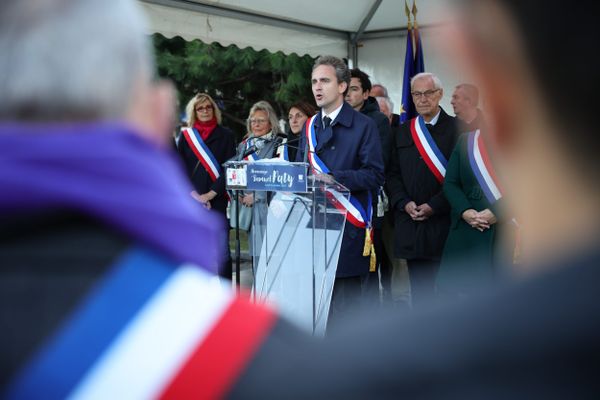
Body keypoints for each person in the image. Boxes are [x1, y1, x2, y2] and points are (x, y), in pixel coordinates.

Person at [295, 56, 384, 324]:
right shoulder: (310, 127)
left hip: (348, 228)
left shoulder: (363, 125)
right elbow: (302, 170)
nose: (317, 87)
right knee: (317, 312)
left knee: (346, 317)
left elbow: (375, 174)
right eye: (314, 82)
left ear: (343, 86)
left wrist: (334, 178)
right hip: (314, 230)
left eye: (325, 80)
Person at [387, 72, 459, 306]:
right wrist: (403, 202)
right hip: (412, 223)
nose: (422, 99)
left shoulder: (459, 130)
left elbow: (463, 178)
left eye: (428, 93)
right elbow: (392, 173)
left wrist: (434, 206)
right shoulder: (402, 131)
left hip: (445, 224)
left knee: (448, 295)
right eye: (417, 94)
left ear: (440, 94)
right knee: (421, 297)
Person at [346, 68, 393, 305]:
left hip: (367, 201)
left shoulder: (377, 121)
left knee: (370, 260)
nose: (347, 94)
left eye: (354, 89)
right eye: (345, 88)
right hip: (340, 201)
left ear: (366, 93)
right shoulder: (334, 118)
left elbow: (378, 163)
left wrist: (341, 173)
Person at [177, 92, 236, 279]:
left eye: (208, 107)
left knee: (222, 255)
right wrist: (196, 196)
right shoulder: (186, 137)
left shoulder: (226, 135)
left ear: (214, 109)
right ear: (194, 111)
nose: (204, 110)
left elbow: (230, 168)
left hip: (217, 202)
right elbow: (179, 169)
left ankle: (225, 296)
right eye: (200, 108)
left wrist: (210, 195)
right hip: (192, 202)